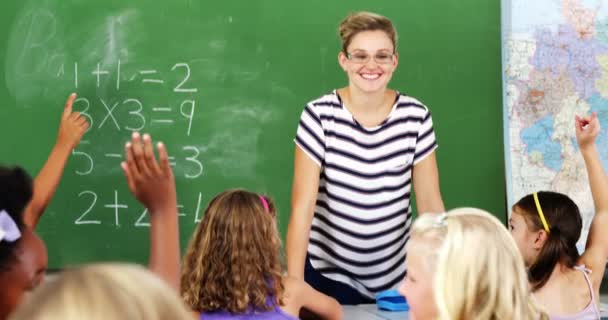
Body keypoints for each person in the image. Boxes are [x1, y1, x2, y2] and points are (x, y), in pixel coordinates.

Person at [287, 11, 444, 303]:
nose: (371, 65)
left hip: (399, 278)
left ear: (394, 62)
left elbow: (430, 205)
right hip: (328, 276)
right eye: (360, 56)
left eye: (382, 56)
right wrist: (295, 286)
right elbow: (302, 206)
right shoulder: (318, 116)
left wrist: (441, 277)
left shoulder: (416, 117)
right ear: (343, 61)